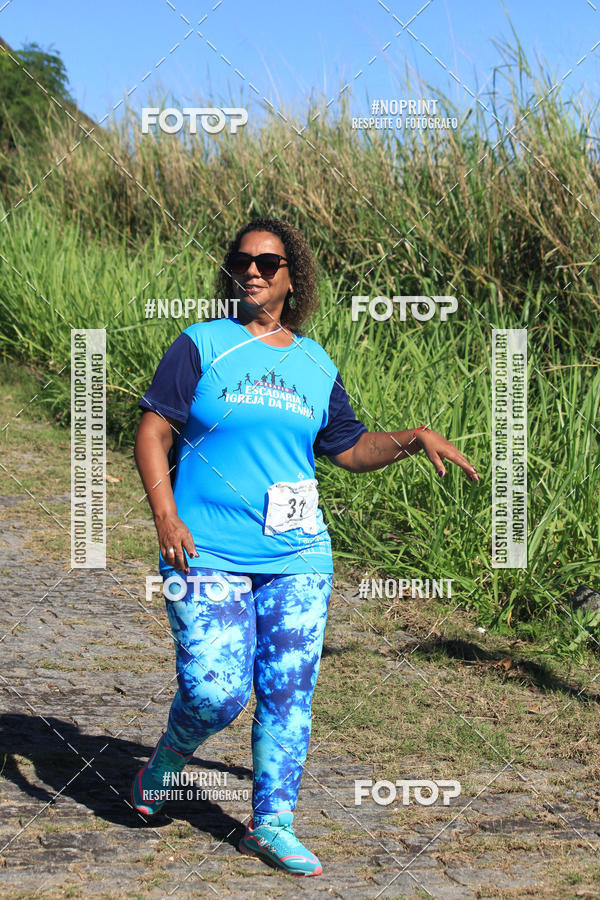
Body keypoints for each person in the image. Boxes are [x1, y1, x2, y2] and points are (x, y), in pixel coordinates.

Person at [131, 218, 480, 877]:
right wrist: (166, 517)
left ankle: (271, 824)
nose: (255, 270)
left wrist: (411, 438)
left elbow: (347, 448)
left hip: (297, 555)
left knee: (289, 690)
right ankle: (169, 761)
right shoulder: (201, 346)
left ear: (294, 278)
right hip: (205, 550)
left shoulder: (317, 364)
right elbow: (154, 433)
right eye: (244, 260)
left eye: (269, 261)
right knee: (215, 691)